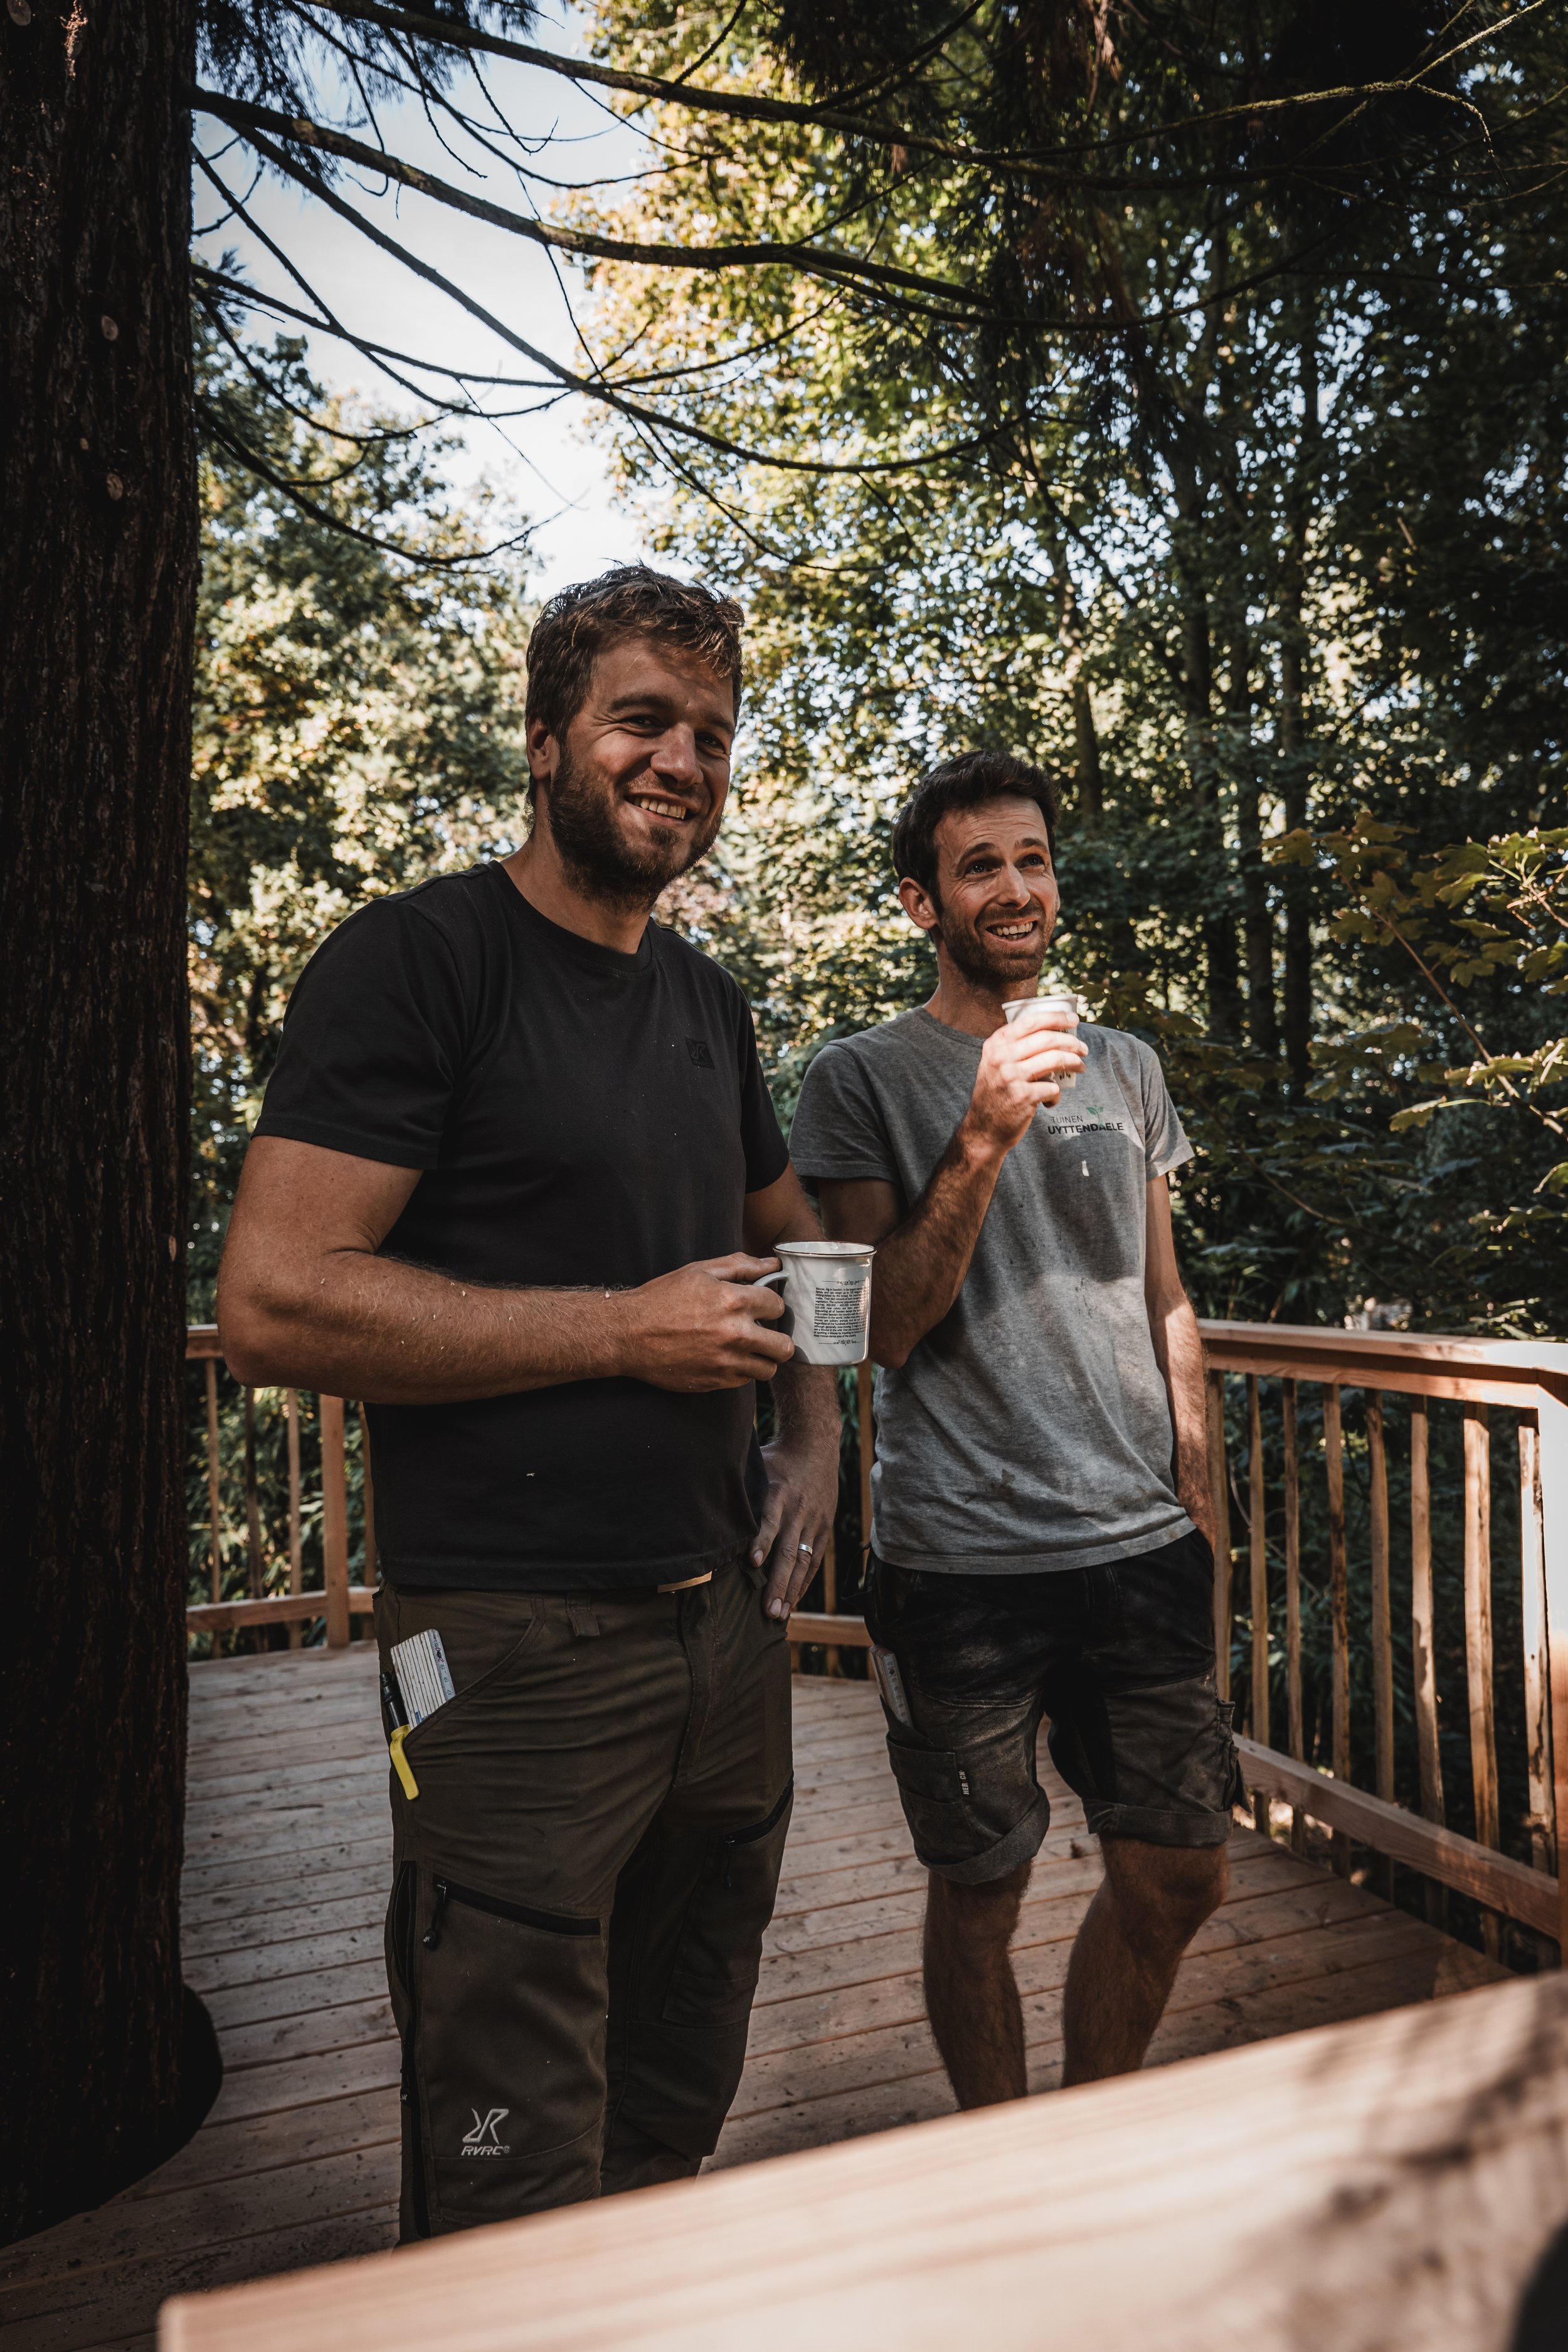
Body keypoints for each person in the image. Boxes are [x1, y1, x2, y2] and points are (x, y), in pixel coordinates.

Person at [218, 567, 839, 2237]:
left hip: (724, 1636)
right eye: (642, 719)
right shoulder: (419, 961)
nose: (682, 759)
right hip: (503, 1648)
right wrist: (624, 1332)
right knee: (506, 2148)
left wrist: (814, 1432)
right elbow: (272, 1299)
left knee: (674, 2083)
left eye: (711, 733)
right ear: (547, 735)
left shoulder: (704, 1002)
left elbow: (805, 1253)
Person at [789, 749, 1240, 2108]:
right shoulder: (860, 1078)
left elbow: (1163, 1294)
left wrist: (1200, 1504)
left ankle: (1086, 2126)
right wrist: (982, 1131)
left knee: (1181, 1872)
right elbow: (879, 1329)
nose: (1015, 886)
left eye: (1031, 858)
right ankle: (1002, 2149)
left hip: (1139, 1546)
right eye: (978, 865)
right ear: (921, 902)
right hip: (961, 1565)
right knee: (980, 1888)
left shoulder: (1127, 1067)